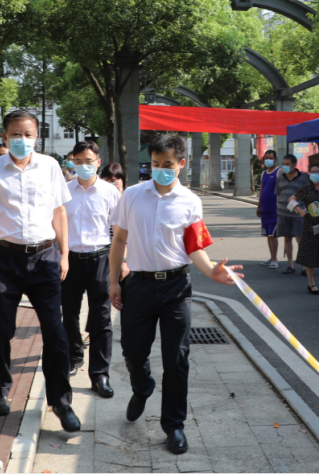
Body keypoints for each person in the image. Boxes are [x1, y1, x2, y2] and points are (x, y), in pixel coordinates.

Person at [109, 134, 242, 455]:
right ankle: (142, 387)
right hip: (138, 285)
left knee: (177, 359)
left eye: (167, 165)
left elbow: (194, 246)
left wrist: (212, 271)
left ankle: (174, 425)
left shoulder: (190, 201)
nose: (160, 170)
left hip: (176, 288)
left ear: (181, 164)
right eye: (155, 164)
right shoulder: (132, 195)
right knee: (132, 351)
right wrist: (113, 281)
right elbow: (119, 240)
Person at [0, 110, 81, 432]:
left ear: (36, 136)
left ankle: (61, 401)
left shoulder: (49, 166)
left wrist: (65, 254)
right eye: (15, 134)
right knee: (3, 328)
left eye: (28, 134)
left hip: (45, 257)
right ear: (5, 137)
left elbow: (59, 211)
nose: (22, 140)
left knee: (55, 330)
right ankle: (0, 388)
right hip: (4, 259)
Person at [62, 140, 122, 398]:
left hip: (101, 259)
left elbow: (118, 231)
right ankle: (74, 357)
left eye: (88, 161)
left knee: (101, 318)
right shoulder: (64, 191)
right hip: (70, 260)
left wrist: (122, 262)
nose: (83, 166)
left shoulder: (110, 192)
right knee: (69, 314)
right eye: (78, 161)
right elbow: (57, 228)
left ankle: (100, 375)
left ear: (98, 162)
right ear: (72, 163)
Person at [289, 163, 319, 296]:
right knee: (310, 255)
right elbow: (291, 200)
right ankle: (311, 283)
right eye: (311, 172)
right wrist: (300, 210)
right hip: (310, 226)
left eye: (316, 172)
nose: (313, 174)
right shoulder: (306, 188)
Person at [274, 154, 306, 274]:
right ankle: (290, 265)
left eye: (288, 164)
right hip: (283, 213)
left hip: (298, 213)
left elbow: (307, 194)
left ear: (294, 165)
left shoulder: (303, 178)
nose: (285, 166)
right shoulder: (280, 177)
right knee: (287, 238)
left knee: (300, 239)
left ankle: (304, 266)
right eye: (284, 164)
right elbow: (278, 194)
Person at [256, 149, 281, 268]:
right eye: (266, 158)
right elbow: (262, 190)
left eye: (271, 158)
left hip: (274, 209)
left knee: (273, 235)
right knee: (268, 234)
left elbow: (282, 189)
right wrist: (259, 206)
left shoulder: (279, 171)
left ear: (275, 159)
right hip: (264, 209)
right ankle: (271, 257)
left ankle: (275, 260)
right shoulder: (263, 173)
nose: (268, 160)